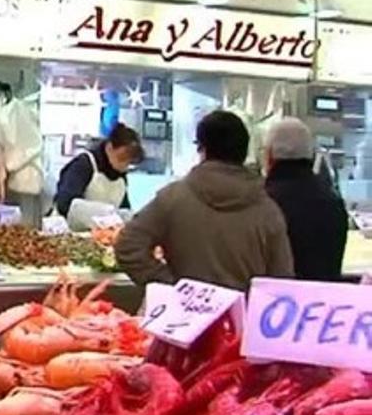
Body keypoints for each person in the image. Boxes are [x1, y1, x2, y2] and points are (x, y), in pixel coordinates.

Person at [115, 110, 294, 292]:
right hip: (241, 317)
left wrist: (173, 287)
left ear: (203, 149)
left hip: (184, 317)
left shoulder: (172, 199)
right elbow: (282, 281)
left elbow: (128, 247)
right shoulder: (267, 210)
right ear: (244, 152)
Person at [264, 117, 348, 281]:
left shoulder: (264, 202)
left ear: (269, 157)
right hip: (326, 300)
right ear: (311, 156)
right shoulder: (333, 201)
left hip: (280, 302)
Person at [54, 123, 144, 230]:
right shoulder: (84, 164)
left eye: (129, 162)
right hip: (70, 234)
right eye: (122, 158)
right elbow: (64, 204)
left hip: (102, 237)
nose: (124, 166)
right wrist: (102, 213)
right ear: (110, 148)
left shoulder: (120, 176)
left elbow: (123, 209)